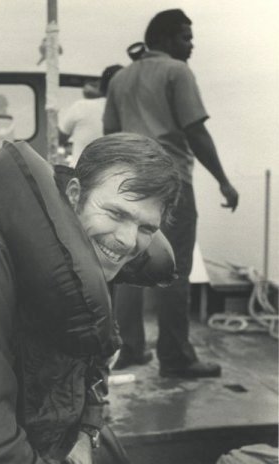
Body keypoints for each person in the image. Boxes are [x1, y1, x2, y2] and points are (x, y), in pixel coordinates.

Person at [0, 133, 180, 463]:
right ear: (75, 195)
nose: (127, 240)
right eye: (116, 213)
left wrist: (85, 434)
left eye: (146, 228)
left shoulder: (96, 265)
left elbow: (94, 365)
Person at [104, 9, 239, 378]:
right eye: (185, 37)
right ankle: (176, 357)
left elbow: (111, 134)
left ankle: (129, 348)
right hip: (170, 182)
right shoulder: (177, 72)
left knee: (129, 264)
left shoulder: (120, 79)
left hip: (131, 184)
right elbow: (195, 132)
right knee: (174, 269)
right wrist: (224, 181)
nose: (191, 44)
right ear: (163, 39)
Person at [59, 64, 123, 167]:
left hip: (80, 173)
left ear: (102, 85)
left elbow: (58, 138)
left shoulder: (81, 106)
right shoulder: (132, 112)